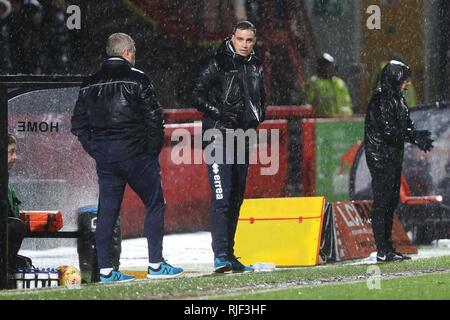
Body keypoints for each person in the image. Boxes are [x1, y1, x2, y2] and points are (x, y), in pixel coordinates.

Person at [71, 33, 183, 283]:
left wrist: (97, 150)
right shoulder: (138, 79)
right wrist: (150, 151)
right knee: (155, 204)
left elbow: (78, 125)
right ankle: (155, 265)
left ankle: (106, 272)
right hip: (136, 156)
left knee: (107, 212)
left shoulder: (89, 83)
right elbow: (155, 118)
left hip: (107, 160)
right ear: (128, 52)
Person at [193, 20, 265, 273]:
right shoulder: (216, 62)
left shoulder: (256, 65)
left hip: (243, 138)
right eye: (240, 39)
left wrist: (258, 115)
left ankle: (230, 255)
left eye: (249, 40)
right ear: (232, 37)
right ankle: (220, 256)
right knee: (222, 198)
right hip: (218, 137)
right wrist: (220, 113)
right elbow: (196, 95)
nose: (244, 45)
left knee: (235, 199)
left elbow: (259, 98)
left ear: (254, 41)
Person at [364, 60, 434, 262]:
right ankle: (383, 250)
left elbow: (405, 127)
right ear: (395, 79)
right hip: (380, 157)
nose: (408, 84)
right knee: (383, 202)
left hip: (392, 156)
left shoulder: (398, 99)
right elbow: (388, 131)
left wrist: (417, 137)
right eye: (405, 79)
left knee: (391, 202)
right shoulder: (381, 100)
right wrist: (413, 136)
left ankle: (387, 248)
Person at [6, 133, 30, 271]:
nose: (15, 157)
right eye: (11, 152)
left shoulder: (5, 179)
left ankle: (8, 265)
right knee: (16, 226)